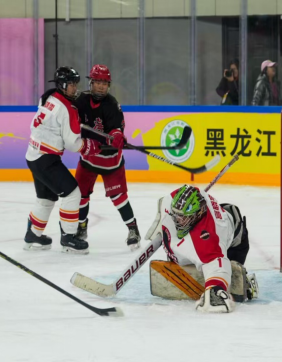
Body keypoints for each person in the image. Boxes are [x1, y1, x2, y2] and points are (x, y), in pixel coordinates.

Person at [24, 66, 118, 254]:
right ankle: (68, 238)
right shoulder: (67, 109)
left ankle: (33, 234)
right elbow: (73, 144)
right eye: (72, 84)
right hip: (46, 159)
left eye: (76, 84)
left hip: (33, 156)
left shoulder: (48, 97)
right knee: (73, 193)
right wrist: (94, 146)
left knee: (46, 197)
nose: (75, 88)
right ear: (62, 85)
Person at [146, 185, 258, 313]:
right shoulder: (175, 200)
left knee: (231, 271)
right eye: (177, 216)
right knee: (192, 253)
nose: (178, 221)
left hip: (235, 241)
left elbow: (218, 265)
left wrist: (215, 288)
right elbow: (166, 201)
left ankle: (248, 283)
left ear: (198, 214)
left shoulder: (209, 238)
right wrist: (161, 224)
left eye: (183, 218)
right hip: (223, 218)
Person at [74, 64, 141, 251]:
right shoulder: (81, 100)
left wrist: (117, 136)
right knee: (80, 195)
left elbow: (116, 128)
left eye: (104, 83)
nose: (101, 86)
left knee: (119, 197)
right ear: (91, 83)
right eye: (98, 82)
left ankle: (133, 229)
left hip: (109, 159)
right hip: (88, 157)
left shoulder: (112, 104)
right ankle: (81, 227)